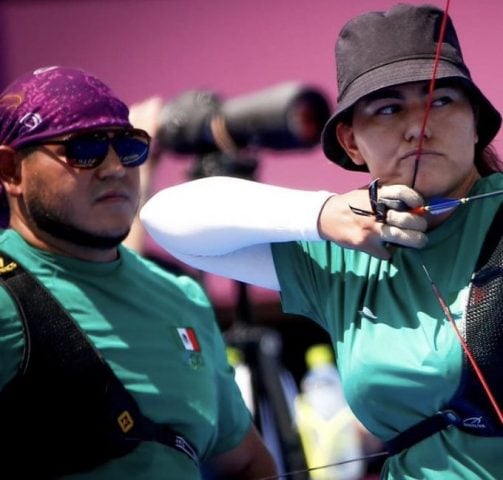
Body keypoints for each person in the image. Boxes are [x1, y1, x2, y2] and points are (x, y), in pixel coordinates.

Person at [140, 4, 503, 479]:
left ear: (475, 119)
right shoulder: (344, 254)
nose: (419, 124)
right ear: (352, 143)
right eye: (389, 108)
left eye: (440, 100)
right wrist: (323, 215)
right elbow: (165, 218)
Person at [0, 66, 277, 480]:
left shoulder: (181, 295)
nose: (115, 167)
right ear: (11, 170)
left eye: (129, 146)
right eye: (85, 148)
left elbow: (246, 463)